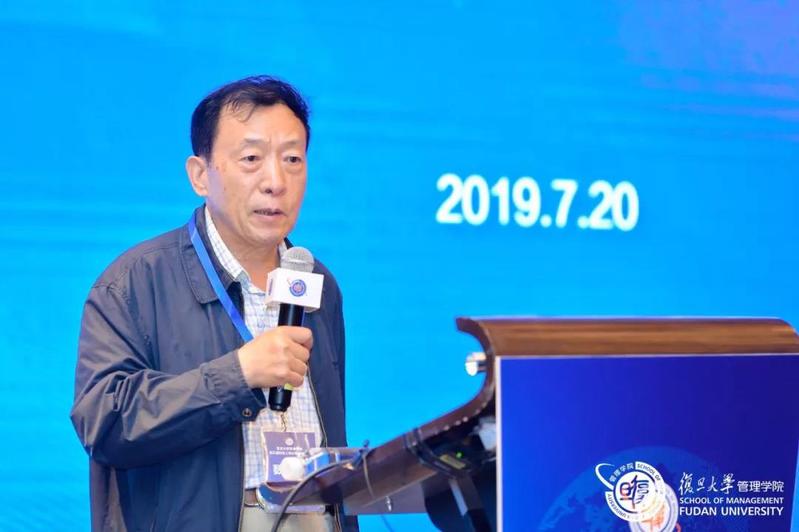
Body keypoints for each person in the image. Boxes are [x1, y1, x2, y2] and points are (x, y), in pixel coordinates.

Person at [70, 75, 356, 531]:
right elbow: (106, 424)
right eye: (251, 159)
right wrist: (238, 375)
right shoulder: (134, 283)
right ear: (200, 175)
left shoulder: (317, 282)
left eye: (292, 159)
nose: (275, 182)